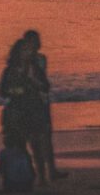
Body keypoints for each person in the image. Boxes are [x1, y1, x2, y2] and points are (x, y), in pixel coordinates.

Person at [0, 38, 51, 185]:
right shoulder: (10, 70)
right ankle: (27, 173)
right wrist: (17, 91)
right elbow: (3, 92)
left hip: (34, 109)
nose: (28, 53)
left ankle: (42, 177)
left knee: (36, 144)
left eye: (30, 50)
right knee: (19, 145)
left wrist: (35, 82)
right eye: (25, 50)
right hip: (16, 110)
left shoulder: (35, 69)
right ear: (17, 52)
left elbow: (46, 87)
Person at [22, 30, 68, 180]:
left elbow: (41, 80)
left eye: (38, 40)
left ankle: (51, 170)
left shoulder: (40, 59)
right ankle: (41, 171)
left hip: (41, 100)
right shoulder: (23, 60)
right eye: (35, 40)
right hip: (31, 102)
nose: (38, 43)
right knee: (34, 137)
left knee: (46, 135)